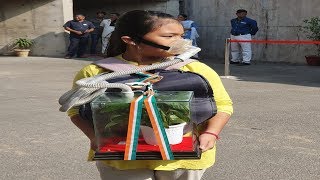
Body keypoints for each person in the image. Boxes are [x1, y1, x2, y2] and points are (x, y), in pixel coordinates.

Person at [66, 10, 233, 180]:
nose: (181, 42)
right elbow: (75, 110)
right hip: (122, 159)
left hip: (181, 158)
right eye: (169, 37)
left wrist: (211, 133)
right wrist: (94, 137)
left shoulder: (195, 69)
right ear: (130, 40)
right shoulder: (96, 73)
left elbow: (222, 105)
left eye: (181, 35)